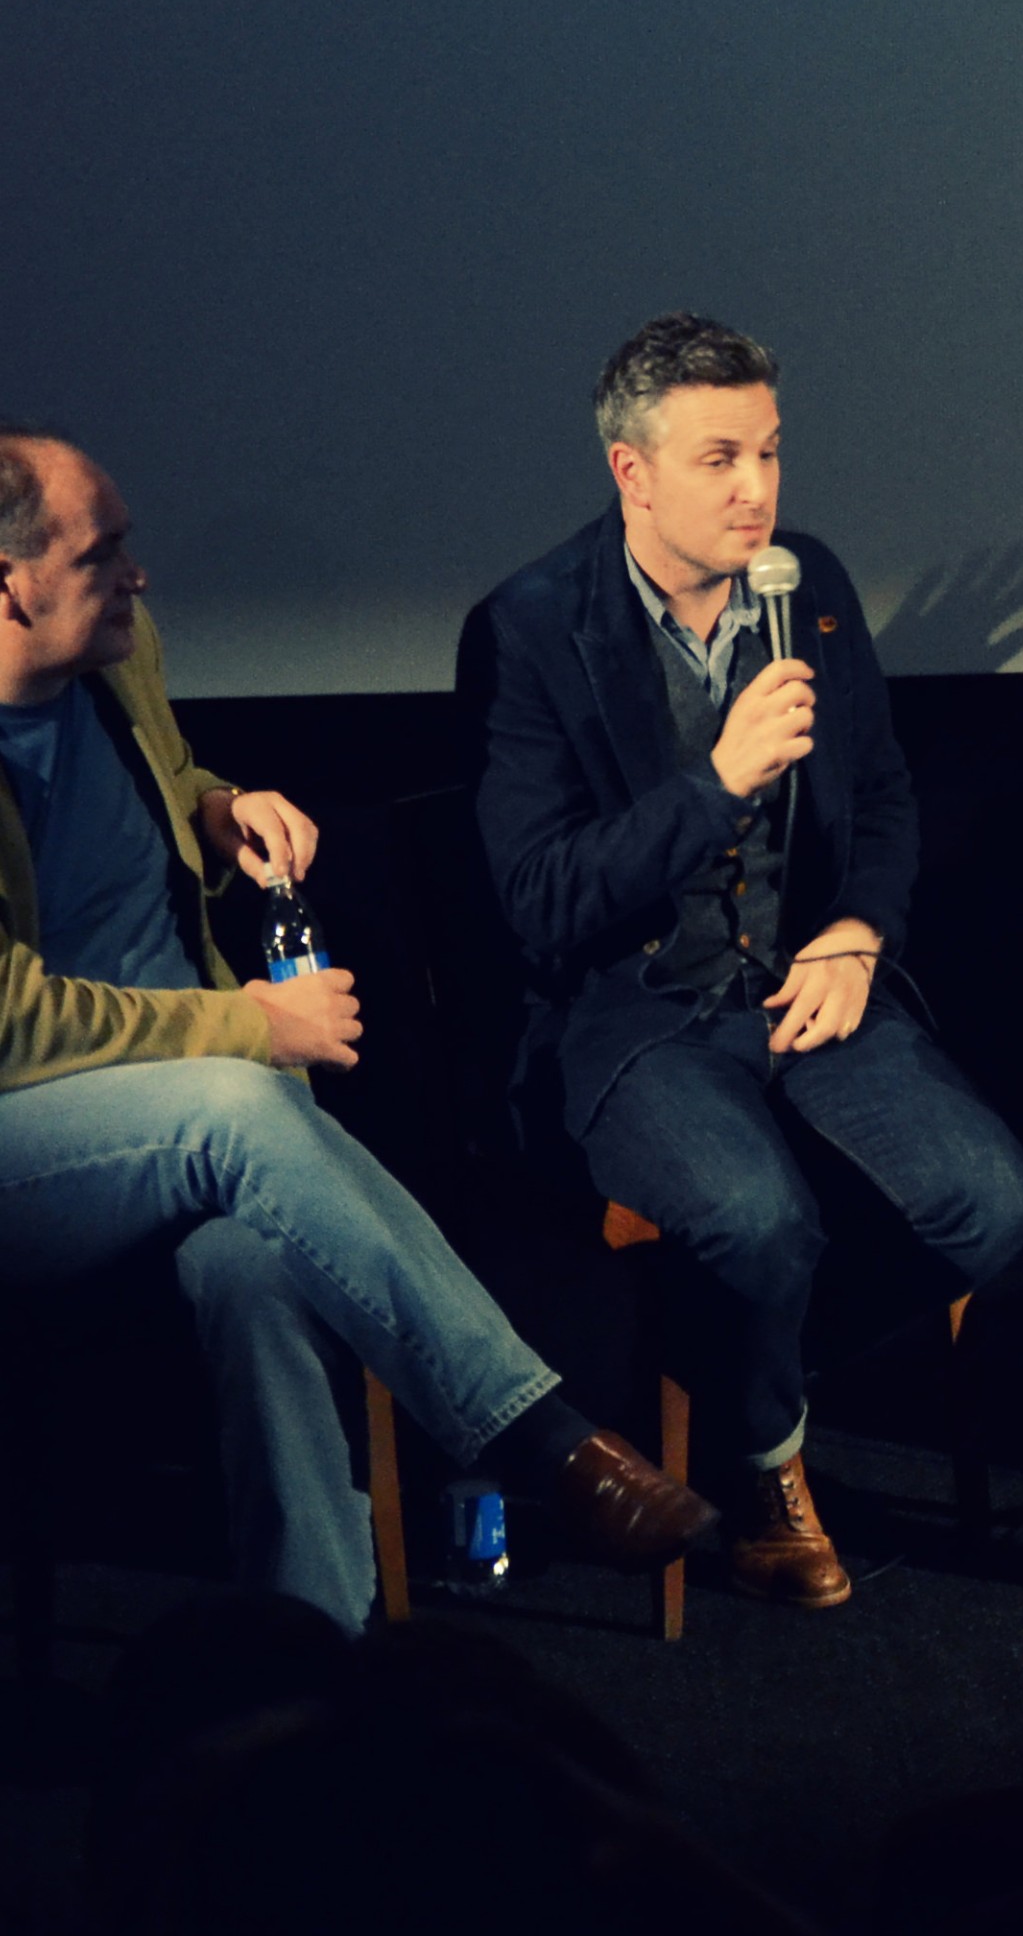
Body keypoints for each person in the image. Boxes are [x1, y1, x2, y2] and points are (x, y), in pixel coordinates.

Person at [0, 427, 711, 1628]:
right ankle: (542, 1435)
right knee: (234, 1103)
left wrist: (219, 805)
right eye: (103, 553)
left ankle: (312, 1648)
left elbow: (160, 779)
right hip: (35, 1144)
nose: (138, 576)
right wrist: (247, 1025)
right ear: (9, 583)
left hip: (187, 1118)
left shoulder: (118, 660)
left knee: (255, 1269)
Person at [460, 315, 1023, 1613]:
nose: (755, 489)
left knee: (991, 1205)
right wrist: (715, 780)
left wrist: (857, 929)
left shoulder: (808, 585)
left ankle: (725, 1387)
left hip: (804, 981)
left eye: (769, 453)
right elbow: (540, 906)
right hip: (638, 1013)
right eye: (720, 457)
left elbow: (884, 797)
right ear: (631, 473)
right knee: (756, 1217)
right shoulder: (530, 631)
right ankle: (767, 1463)